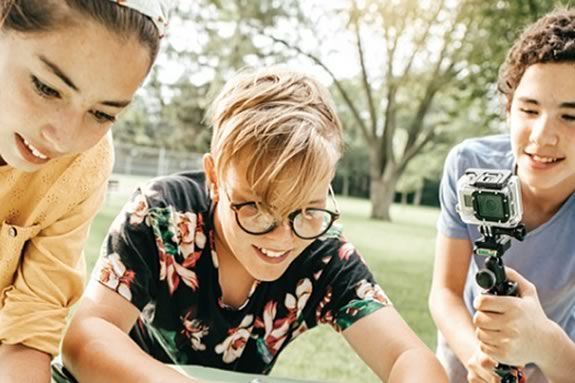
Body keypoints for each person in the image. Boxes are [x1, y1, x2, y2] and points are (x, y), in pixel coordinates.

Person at [60, 68, 448, 382]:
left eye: (307, 210)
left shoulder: (322, 253)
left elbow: (407, 356)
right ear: (214, 177)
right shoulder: (163, 214)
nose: (284, 237)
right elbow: (86, 337)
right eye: (258, 209)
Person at [0, 0, 168, 381]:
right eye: (46, 87)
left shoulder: (86, 161)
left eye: (102, 114)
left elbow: (24, 337)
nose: (64, 137)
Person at [429, 8, 575, 383]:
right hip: (464, 364)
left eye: (570, 117)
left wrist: (543, 342)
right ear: (508, 109)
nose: (543, 136)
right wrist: (478, 359)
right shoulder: (469, 165)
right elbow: (445, 291)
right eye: (529, 109)